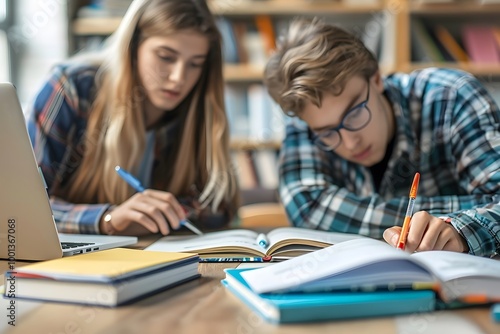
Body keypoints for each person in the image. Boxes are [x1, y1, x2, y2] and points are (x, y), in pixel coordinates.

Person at [263, 17, 500, 257]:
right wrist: (475, 208)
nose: (350, 142)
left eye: (354, 113)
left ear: (376, 78)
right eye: (327, 132)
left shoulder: (451, 96)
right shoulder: (307, 120)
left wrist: (459, 230)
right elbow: (308, 208)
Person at [27, 0, 239, 236]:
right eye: (166, 57)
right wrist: (108, 219)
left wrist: (166, 213)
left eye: (195, 64)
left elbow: (220, 204)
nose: (179, 78)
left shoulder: (195, 109)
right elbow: (24, 206)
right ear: (133, 47)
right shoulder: (73, 89)